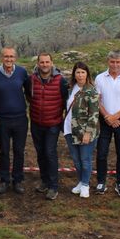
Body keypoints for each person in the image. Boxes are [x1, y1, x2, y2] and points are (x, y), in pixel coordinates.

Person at [0, 47, 30, 194]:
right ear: (1, 57)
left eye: (11, 57)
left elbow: (29, 91)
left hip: (20, 119)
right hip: (3, 120)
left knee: (19, 151)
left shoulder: (22, 72)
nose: (9, 59)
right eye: (6, 57)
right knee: (4, 151)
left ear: (15, 58)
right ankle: (4, 180)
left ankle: (17, 180)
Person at [94, 50, 120, 196]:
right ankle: (101, 182)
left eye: (118, 62)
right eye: (112, 62)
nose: (115, 65)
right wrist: (107, 117)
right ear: (108, 61)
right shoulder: (99, 78)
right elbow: (97, 100)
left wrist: (115, 117)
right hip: (105, 120)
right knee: (101, 153)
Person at [28, 52, 68, 200]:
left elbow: (65, 100)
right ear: (38, 63)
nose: (44, 65)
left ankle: (53, 186)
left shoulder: (60, 81)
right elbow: (28, 95)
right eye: (42, 62)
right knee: (40, 153)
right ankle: (44, 180)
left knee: (50, 153)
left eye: (47, 62)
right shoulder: (31, 79)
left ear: (52, 63)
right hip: (36, 123)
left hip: (53, 123)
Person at [64, 61, 100, 199]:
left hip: (85, 131)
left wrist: (88, 132)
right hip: (70, 130)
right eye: (77, 72)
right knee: (76, 159)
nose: (80, 75)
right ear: (74, 74)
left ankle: (85, 185)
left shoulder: (91, 90)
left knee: (85, 159)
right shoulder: (70, 88)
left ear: (87, 74)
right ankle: (81, 181)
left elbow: (94, 114)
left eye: (83, 72)